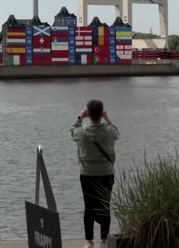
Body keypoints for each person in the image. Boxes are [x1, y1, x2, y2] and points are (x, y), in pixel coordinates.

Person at [70, 99, 120, 248]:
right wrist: (107, 118)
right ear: (101, 113)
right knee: (105, 205)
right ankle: (104, 241)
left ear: (89, 114)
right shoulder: (110, 132)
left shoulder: (81, 133)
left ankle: (89, 241)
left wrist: (80, 117)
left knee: (89, 206)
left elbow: (72, 130)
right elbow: (117, 132)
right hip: (106, 173)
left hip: (87, 174)